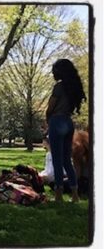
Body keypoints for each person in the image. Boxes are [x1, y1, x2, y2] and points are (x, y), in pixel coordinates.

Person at [46, 59, 86, 202]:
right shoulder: (73, 87)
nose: (52, 72)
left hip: (57, 121)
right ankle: (75, 194)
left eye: (54, 70)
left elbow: (51, 106)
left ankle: (58, 194)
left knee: (57, 160)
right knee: (67, 161)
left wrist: (47, 118)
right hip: (69, 123)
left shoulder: (59, 87)